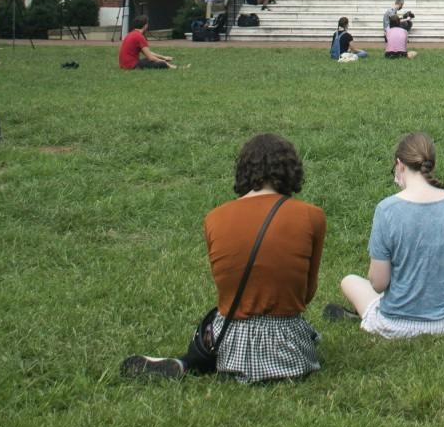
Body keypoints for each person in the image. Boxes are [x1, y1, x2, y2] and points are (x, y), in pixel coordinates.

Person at [123, 132, 328, 381]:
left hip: (231, 344)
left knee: (214, 321)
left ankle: (186, 363)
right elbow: (307, 292)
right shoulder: (311, 216)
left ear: (243, 170)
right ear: (291, 170)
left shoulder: (214, 218)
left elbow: (227, 291)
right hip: (290, 350)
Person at [336, 132, 444, 338]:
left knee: (349, 280)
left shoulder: (387, 210)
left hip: (399, 322)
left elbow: (378, 284)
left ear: (399, 164)